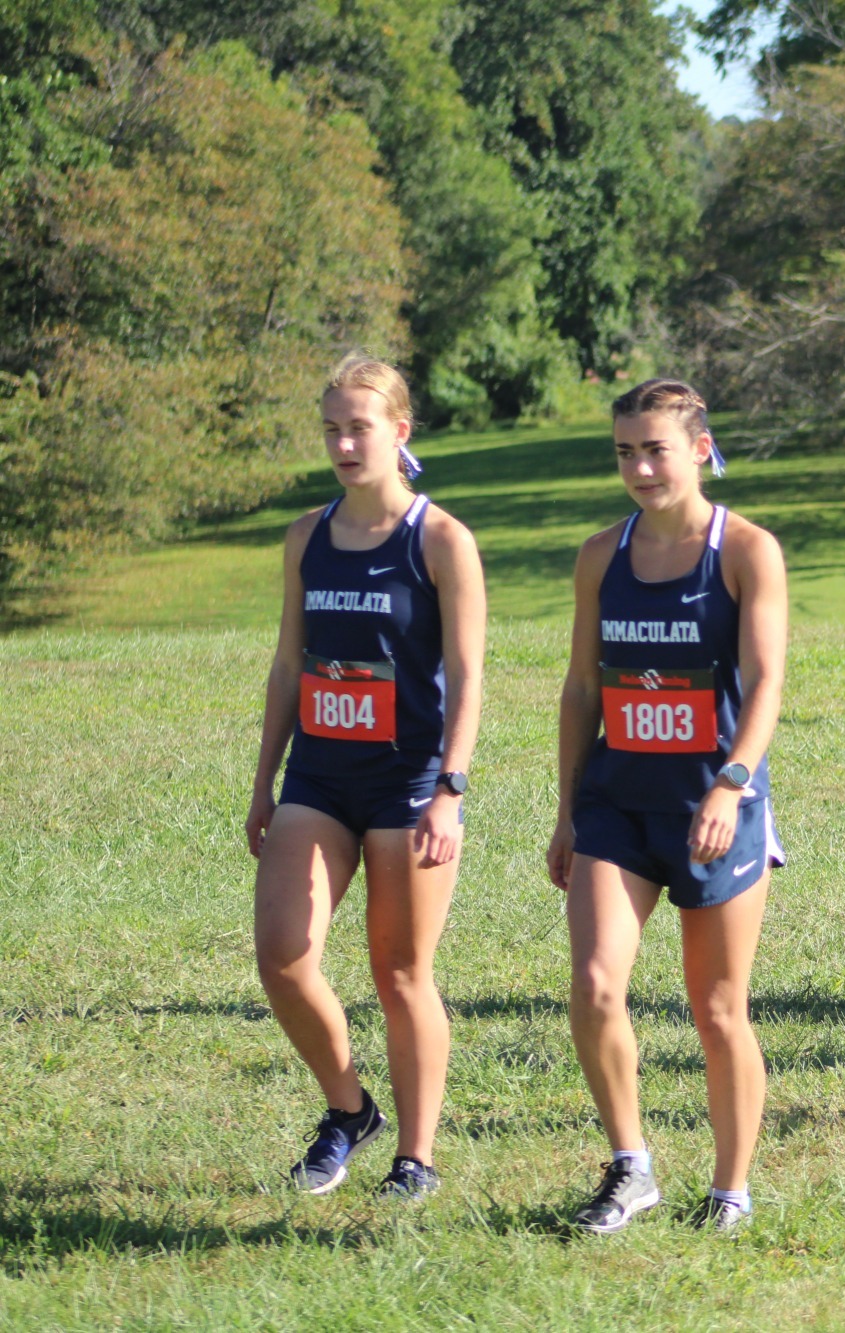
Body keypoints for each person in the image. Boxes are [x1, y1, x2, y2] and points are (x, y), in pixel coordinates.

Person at [548, 379, 787, 1235]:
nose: (640, 467)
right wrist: (569, 808)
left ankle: (730, 1188)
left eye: (654, 449)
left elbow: (764, 683)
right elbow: (581, 688)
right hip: (617, 804)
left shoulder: (745, 550)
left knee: (718, 1007)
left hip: (712, 808)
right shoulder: (599, 554)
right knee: (595, 983)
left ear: (698, 447)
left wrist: (732, 781)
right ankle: (631, 1165)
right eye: (624, 452)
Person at [247, 353, 487, 1198]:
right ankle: (348, 1109)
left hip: (408, 783)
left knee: (400, 973)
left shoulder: (442, 540)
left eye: (360, 427)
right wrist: (263, 780)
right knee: (283, 955)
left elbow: (467, 675)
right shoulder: (308, 536)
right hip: (318, 775)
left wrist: (450, 789)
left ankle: (415, 1158)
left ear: (399, 430)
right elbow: (287, 665)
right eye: (332, 430)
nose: (345, 444)